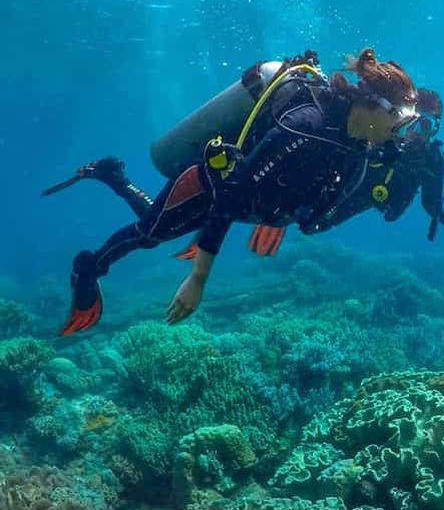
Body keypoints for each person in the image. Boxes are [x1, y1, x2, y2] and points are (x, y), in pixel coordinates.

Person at [48, 48, 421, 335]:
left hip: (245, 202)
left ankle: (114, 176)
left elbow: (315, 216)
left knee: (160, 227)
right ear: (373, 105)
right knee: (149, 234)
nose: (402, 131)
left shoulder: (357, 154)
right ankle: (87, 268)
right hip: (209, 183)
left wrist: (285, 214)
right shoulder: (304, 125)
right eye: (401, 119)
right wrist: (198, 279)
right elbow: (233, 193)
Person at [304, 88, 444, 239]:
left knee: (313, 226)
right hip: (350, 180)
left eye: (424, 126)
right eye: (411, 122)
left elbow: (431, 201)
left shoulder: (432, 160)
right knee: (306, 209)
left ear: (434, 130)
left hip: (372, 199)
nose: (415, 132)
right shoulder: (385, 136)